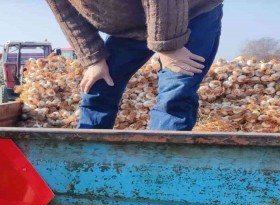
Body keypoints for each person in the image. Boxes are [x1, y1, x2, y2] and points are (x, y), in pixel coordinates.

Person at [46, 0, 224, 130]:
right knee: (100, 85)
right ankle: (88, 159)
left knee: (175, 92)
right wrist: (94, 60)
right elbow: (67, 15)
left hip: (186, 12)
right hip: (131, 26)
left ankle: (159, 168)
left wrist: (169, 45)